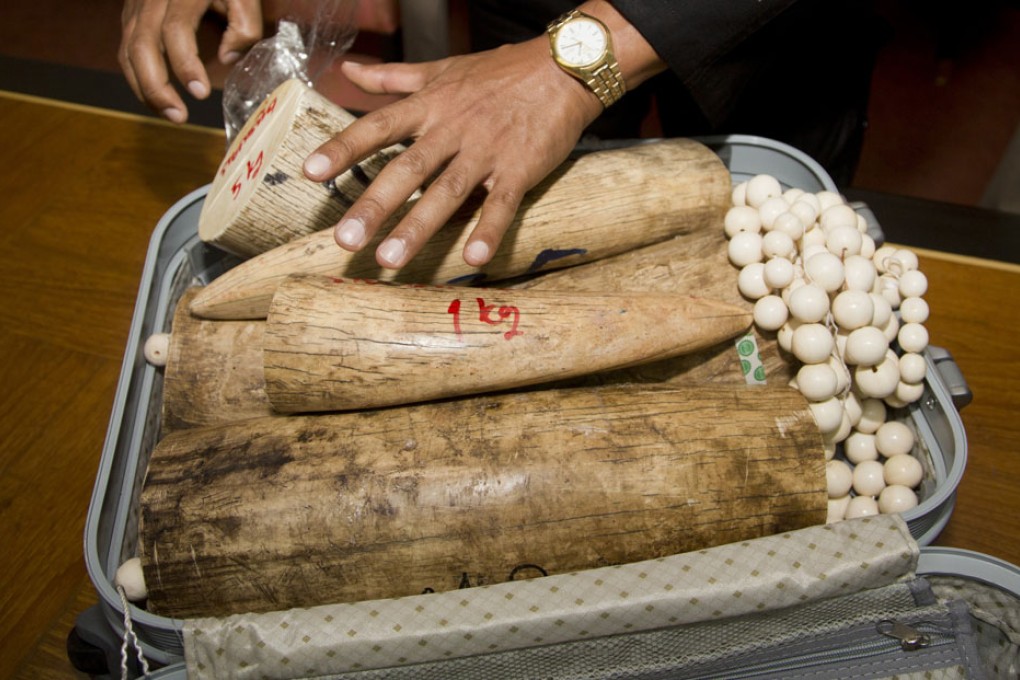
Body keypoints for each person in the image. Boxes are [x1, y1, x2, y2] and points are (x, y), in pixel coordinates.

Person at [119, 0, 881, 271]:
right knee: (515, 236)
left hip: (764, 31)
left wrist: (574, 63)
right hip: (530, 9)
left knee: (768, 234)